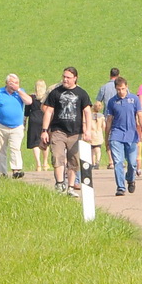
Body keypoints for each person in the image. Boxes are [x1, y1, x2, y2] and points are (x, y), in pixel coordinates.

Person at [39, 67, 92, 196]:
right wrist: (44, 130)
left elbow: (87, 112)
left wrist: (88, 130)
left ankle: (70, 187)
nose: (65, 79)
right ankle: (59, 183)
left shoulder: (82, 93)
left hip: (75, 132)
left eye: (68, 77)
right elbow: (48, 112)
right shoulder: (55, 93)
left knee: (73, 160)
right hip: (58, 130)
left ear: (75, 78)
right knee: (57, 156)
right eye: (64, 77)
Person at [105, 75, 142, 195]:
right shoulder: (112, 102)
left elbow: (139, 115)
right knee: (118, 162)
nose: (121, 91)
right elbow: (109, 121)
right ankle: (120, 187)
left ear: (126, 87)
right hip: (116, 135)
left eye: (123, 89)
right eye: (118, 89)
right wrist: (107, 137)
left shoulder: (134, 99)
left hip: (131, 135)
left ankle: (131, 179)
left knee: (132, 163)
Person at [0, 74, 29, 179]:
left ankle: (16, 170)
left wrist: (18, 90)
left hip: (17, 127)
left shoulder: (20, 92)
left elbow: (29, 101)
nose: (14, 85)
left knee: (15, 148)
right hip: (1, 126)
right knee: (1, 149)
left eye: (16, 82)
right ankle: (2, 172)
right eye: (12, 83)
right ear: (7, 83)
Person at [25, 80, 46, 171]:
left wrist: (24, 122)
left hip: (33, 119)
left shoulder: (31, 97)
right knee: (45, 141)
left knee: (35, 143)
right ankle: (45, 163)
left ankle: (38, 164)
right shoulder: (46, 97)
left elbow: (26, 112)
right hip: (44, 119)